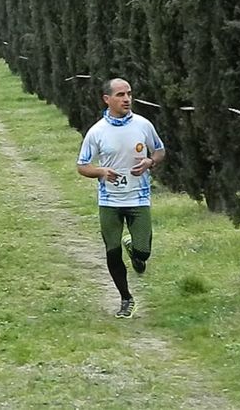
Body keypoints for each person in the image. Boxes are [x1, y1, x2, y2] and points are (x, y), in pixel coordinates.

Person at [76, 78, 165, 319]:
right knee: (112, 253)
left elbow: (159, 150)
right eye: (120, 95)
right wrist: (102, 172)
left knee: (143, 252)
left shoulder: (143, 125)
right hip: (110, 202)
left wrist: (150, 161)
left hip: (139, 198)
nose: (126, 99)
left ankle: (135, 250)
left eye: (129, 94)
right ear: (107, 99)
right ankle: (126, 298)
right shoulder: (97, 132)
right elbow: (82, 166)